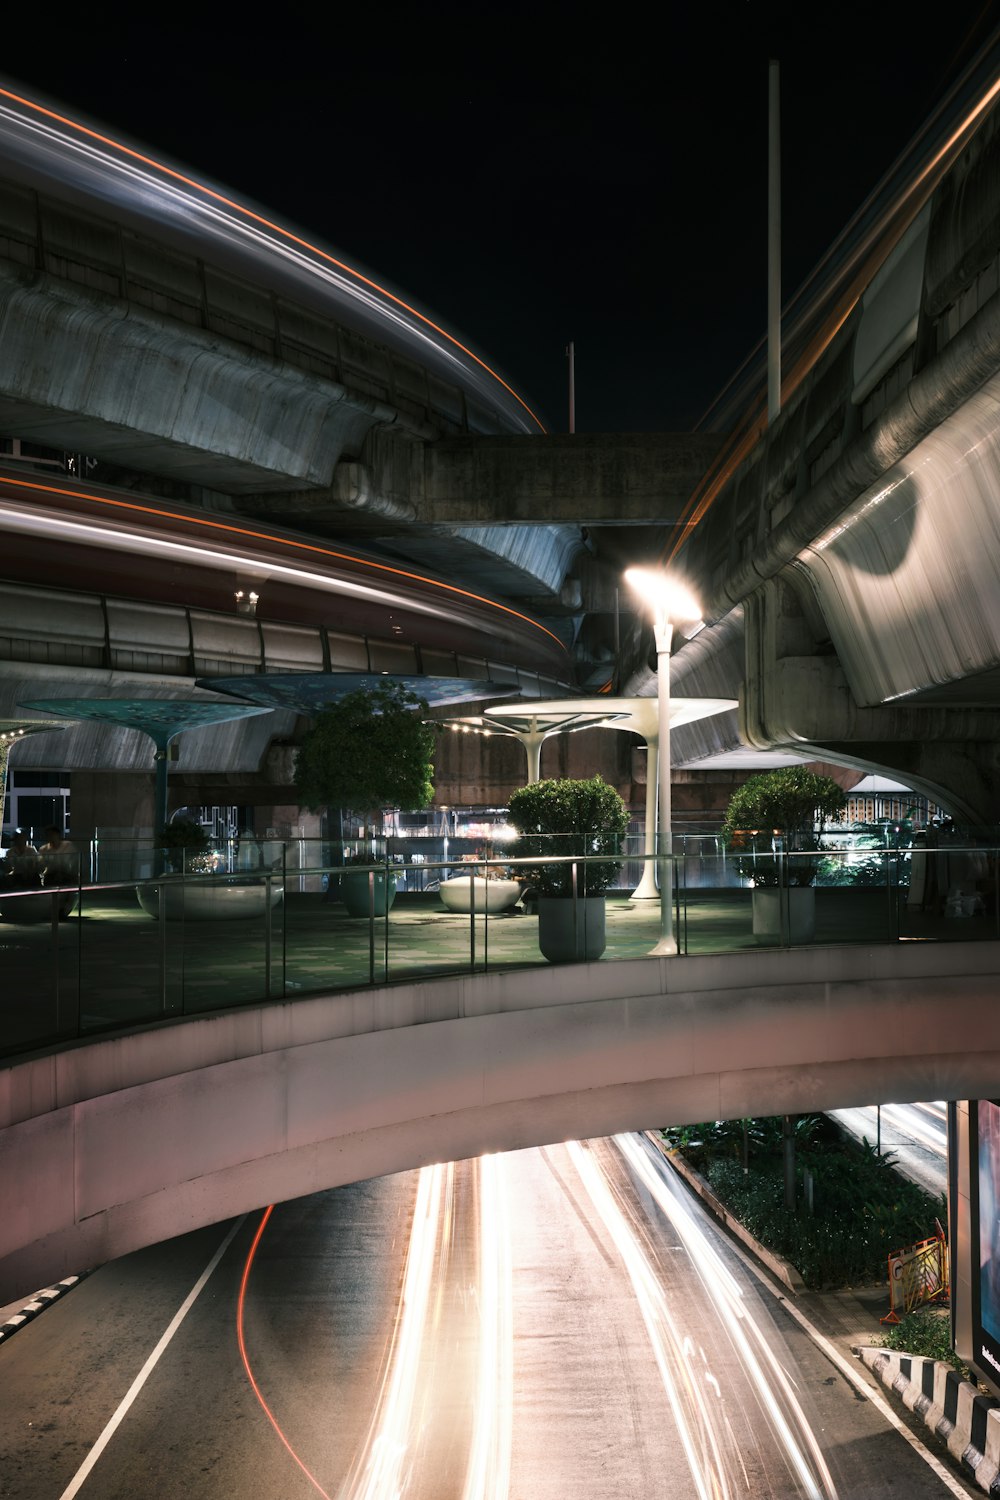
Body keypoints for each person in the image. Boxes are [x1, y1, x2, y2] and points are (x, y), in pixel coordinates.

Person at [39, 825, 78, 917]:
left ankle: (63, 910)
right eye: (48, 835)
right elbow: (41, 864)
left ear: (58, 835)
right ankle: (54, 910)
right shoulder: (44, 849)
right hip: (51, 875)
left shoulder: (68, 846)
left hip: (66, 874)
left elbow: (76, 861)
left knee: (68, 889)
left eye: (52, 835)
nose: (50, 837)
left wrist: (75, 874)